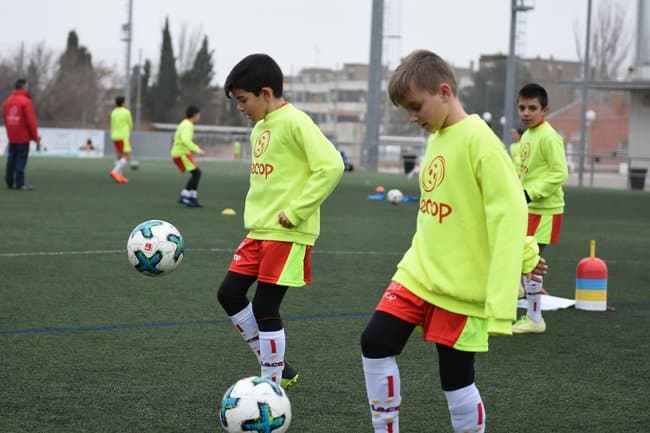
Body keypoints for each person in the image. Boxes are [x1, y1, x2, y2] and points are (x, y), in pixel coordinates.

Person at [359, 50, 532, 433]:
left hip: (460, 286)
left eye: (417, 107)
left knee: (455, 379)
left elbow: (508, 212)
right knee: (374, 342)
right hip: (418, 271)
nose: (413, 117)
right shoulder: (437, 135)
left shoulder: (481, 143)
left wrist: (516, 274)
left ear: (444, 91)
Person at [216, 53, 344, 388]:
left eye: (244, 100)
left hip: (288, 231)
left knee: (265, 305)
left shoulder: (296, 122)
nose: (241, 108)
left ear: (267, 92)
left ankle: (270, 385)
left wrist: (298, 210)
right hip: (259, 230)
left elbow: (331, 165)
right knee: (229, 293)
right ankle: (276, 366)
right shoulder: (259, 129)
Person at [512, 83, 569, 334]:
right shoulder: (526, 136)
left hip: (546, 209)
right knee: (521, 255)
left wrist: (530, 193)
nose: (526, 112)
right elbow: (523, 171)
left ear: (544, 110)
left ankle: (535, 319)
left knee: (531, 259)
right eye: (522, 107)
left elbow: (560, 172)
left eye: (532, 108)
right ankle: (523, 290)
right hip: (529, 207)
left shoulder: (548, 136)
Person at [3, 78, 40, 190]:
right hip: (23, 137)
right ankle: (20, 183)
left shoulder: (7, 101)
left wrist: (10, 131)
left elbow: (6, 119)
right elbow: (31, 122)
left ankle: (9, 182)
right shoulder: (26, 102)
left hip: (12, 136)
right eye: (27, 86)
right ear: (23, 87)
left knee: (11, 159)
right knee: (21, 160)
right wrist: (35, 138)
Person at [171, 105, 205, 207]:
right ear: (194, 115)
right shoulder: (188, 125)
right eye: (198, 115)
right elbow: (185, 140)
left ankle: (191, 197)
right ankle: (185, 196)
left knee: (196, 173)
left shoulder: (183, 123)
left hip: (179, 153)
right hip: (181, 153)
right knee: (197, 173)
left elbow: (179, 138)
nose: (199, 117)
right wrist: (198, 149)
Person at [109, 96, 133, 184]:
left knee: (119, 155)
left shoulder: (113, 112)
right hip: (123, 136)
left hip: (114, 136)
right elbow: (130, 124)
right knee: (127, 155)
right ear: (123, 103)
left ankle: (119, 176)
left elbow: (111, 124)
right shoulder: (126, 112)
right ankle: (115, 171)